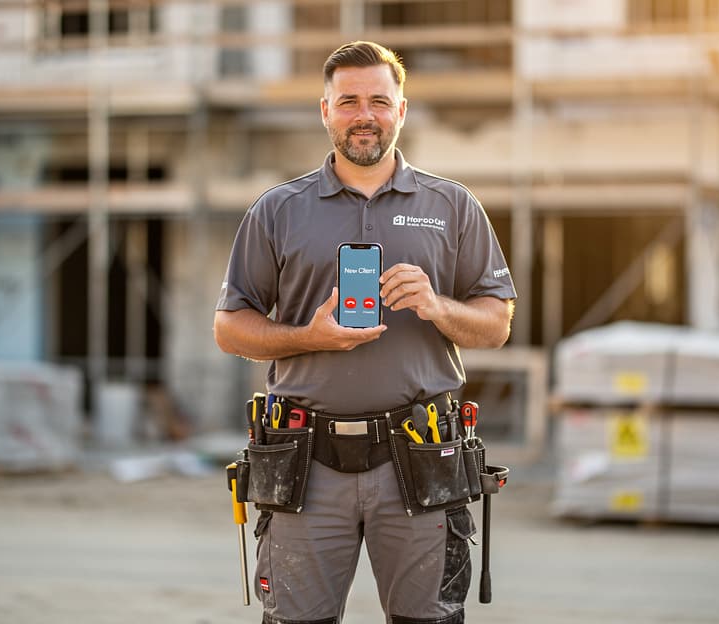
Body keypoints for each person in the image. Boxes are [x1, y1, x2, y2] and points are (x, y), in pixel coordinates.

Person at [213, 40, 516, 624]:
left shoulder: (453, 206)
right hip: (305, 459)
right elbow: (229, 328)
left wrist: (436, 306)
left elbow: (496, 324)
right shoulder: (277, 210)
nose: (364, 115)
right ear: (325, 110)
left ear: (401, 110)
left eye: (379, 101)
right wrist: (309, 337)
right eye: (348, 101)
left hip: (421, 455)